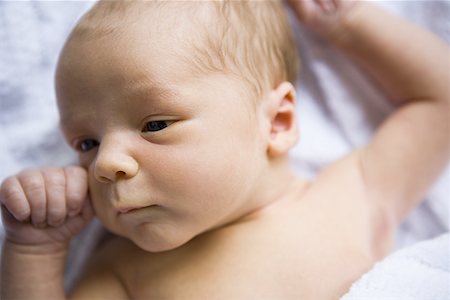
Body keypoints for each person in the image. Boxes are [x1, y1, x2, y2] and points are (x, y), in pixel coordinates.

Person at [1, 0, 448, 298]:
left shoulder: (354, 194)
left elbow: (440, 104)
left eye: (155, 124)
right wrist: (36, 250)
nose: (106, 164)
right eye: (86, 143)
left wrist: (348, 23)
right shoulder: (121, 272)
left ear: (277, 122)